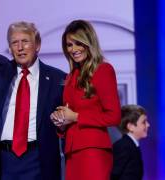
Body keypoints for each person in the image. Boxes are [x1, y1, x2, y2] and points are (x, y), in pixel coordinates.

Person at [0, 10, 66, 180]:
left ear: (37, 45)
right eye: (14, 43)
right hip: (3, 159)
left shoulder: (57, 78)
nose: (20, 47)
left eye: (25, 42)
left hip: (39, 159)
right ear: (10, 48)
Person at [50, 19, 121, 180]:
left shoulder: (103, 70)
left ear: (88, 43)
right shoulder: (71, 76)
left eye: (78, 43)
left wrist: (75, 117)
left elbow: (114, 116)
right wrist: (61, 122)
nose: (73, 49)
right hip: (71, 152)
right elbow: (70, 114)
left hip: (93, 151)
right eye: (69, 45)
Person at [111, 105, 150, 180]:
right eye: (144, 122)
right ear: (130, 126)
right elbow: (114, 174)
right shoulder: (123, 146)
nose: (148, 125)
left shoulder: (132, 145)